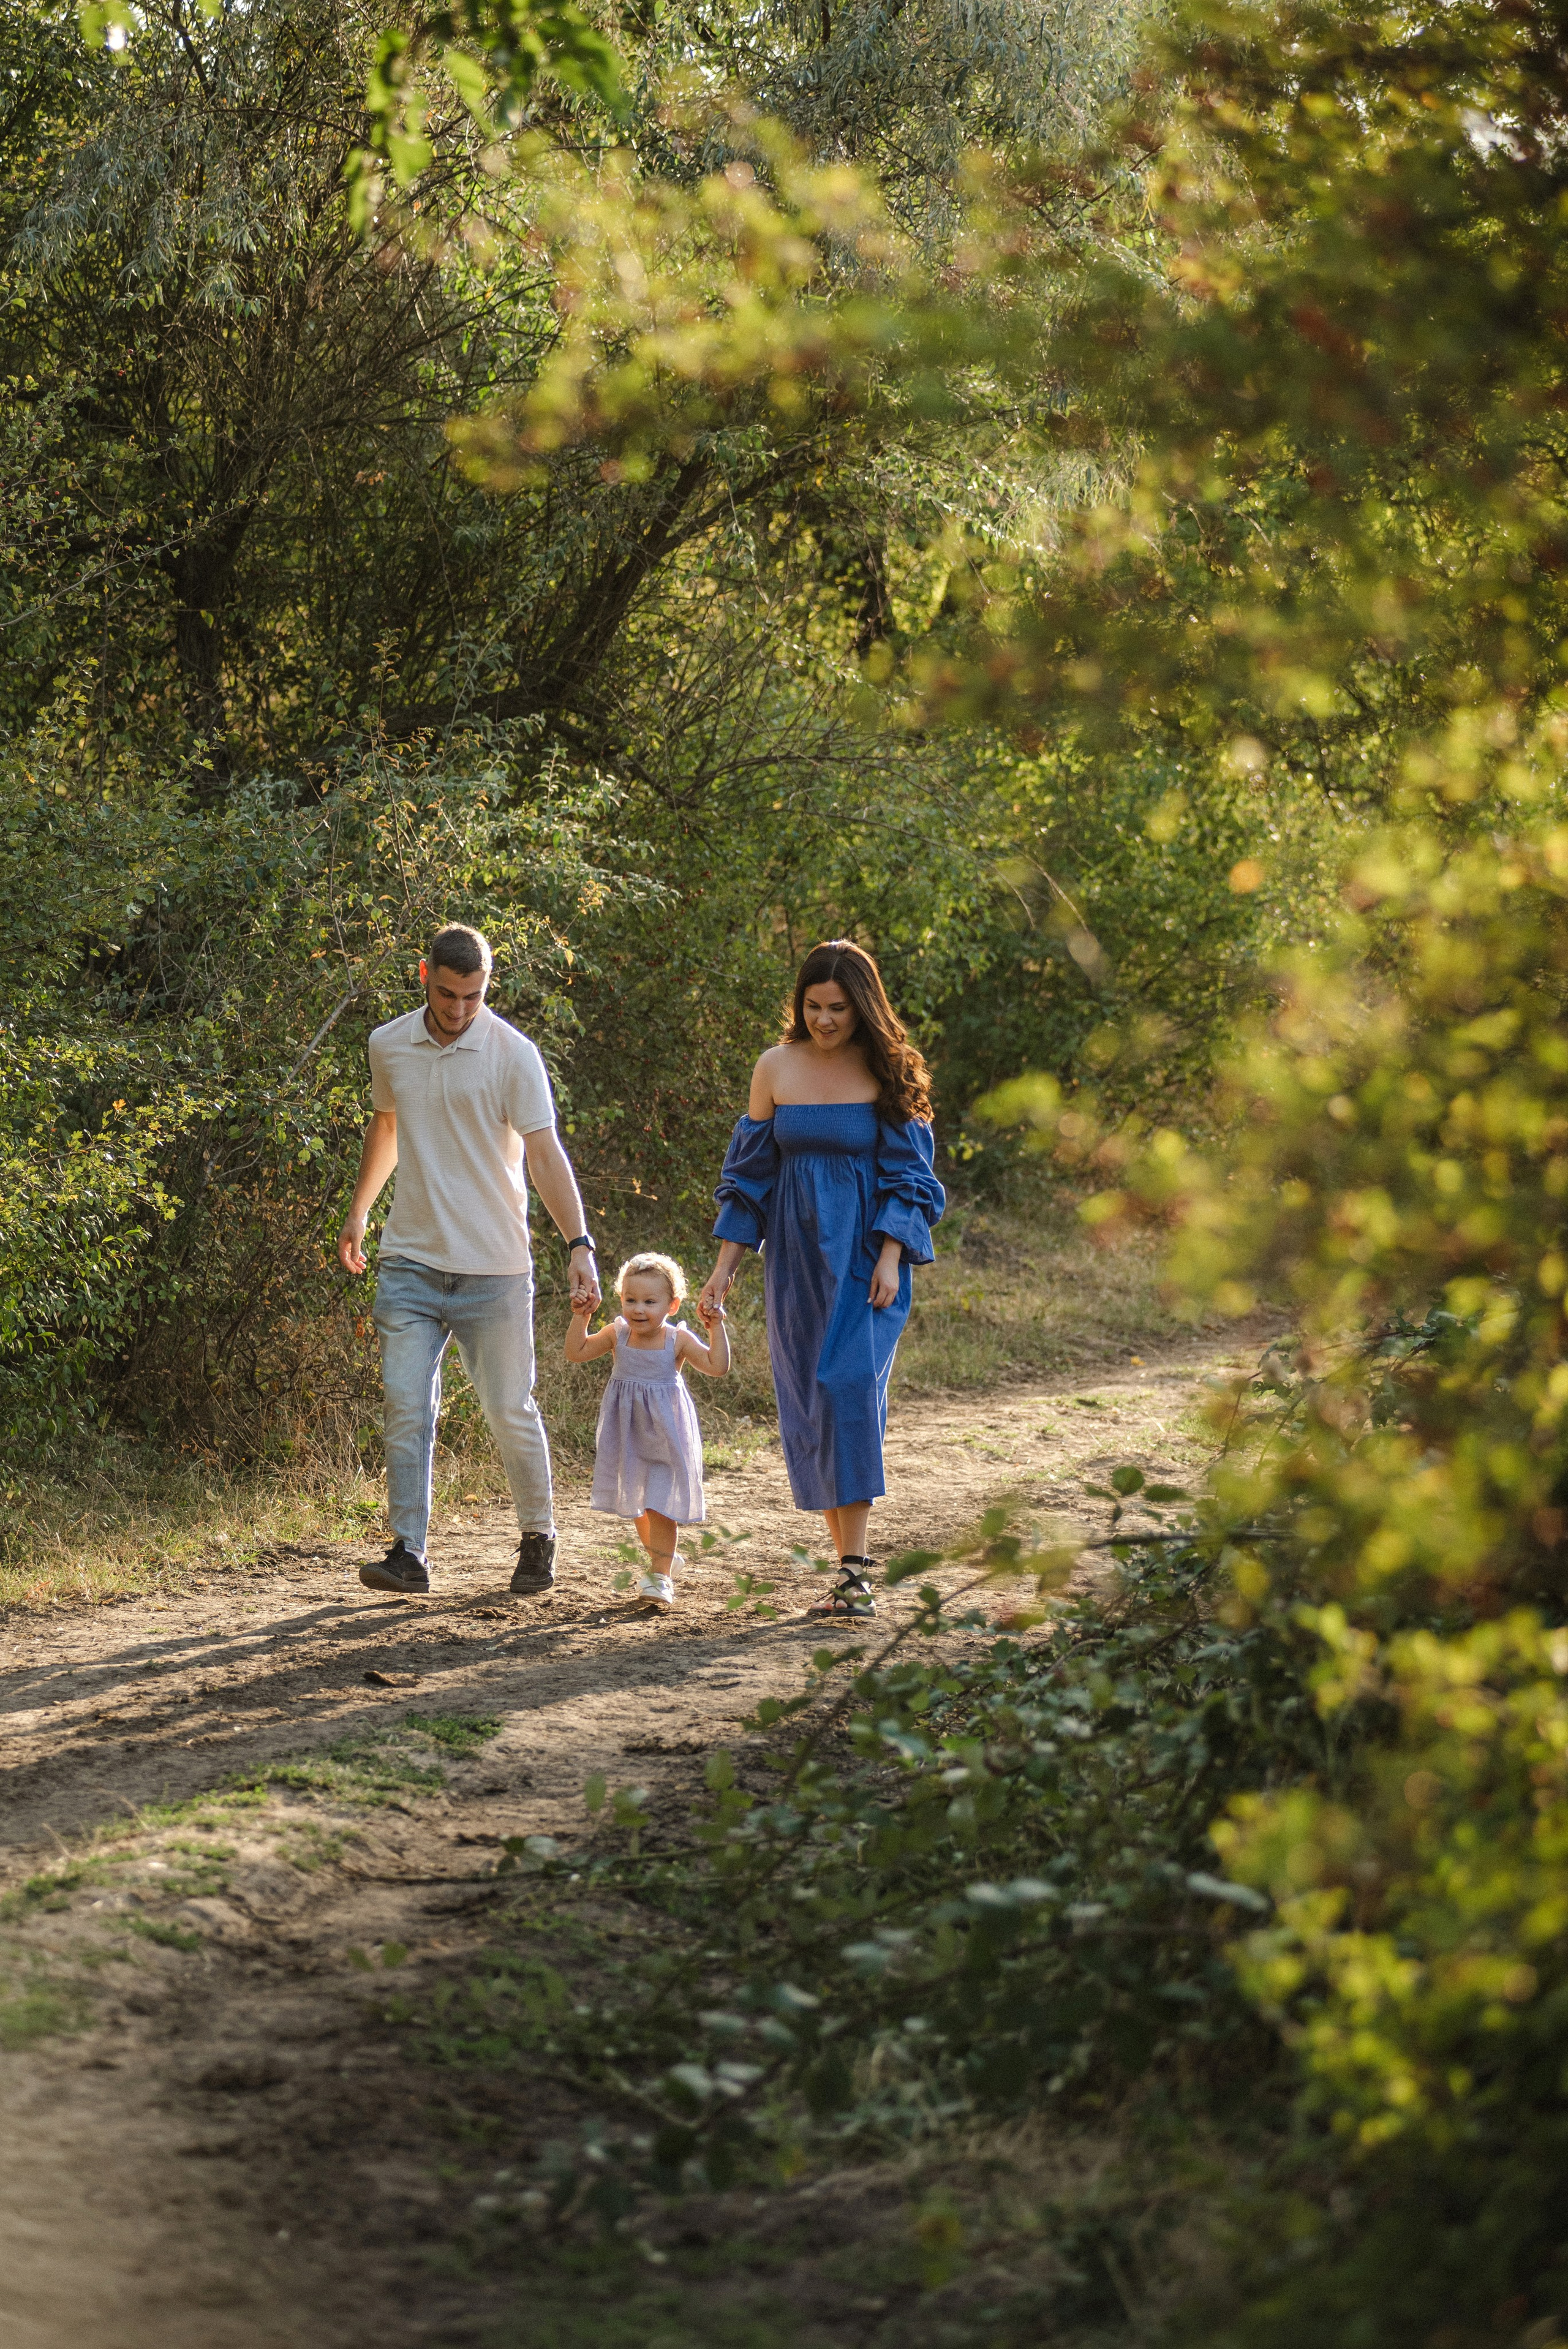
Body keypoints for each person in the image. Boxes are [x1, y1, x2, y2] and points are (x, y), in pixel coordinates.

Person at [337, 923, 602, 1597]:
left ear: (488, 987)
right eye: (449, 995)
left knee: (510, 1408)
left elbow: (544, 1154)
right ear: (425, 976)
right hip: (410, 1263)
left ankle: (538, 1537)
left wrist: (579, 1244)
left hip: (496, 1269)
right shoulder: (388, 1043)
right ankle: (408, 1552)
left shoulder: (514, 1054)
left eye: (474, 997)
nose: (459, 1011)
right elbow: (388, 1124)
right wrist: (361, 1208)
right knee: (406, 1404)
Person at [697, 938, 944, 1619]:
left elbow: (911, 1179)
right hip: (795, 1262)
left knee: (847, 1392)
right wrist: (723, 1271)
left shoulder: (884, 1070)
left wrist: (893, 1255)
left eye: (838, 1007)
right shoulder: (775, 1066)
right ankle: (847, 1573)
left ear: (862, 1007)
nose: (825, 1019)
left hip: (867, 1263)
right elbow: (748, 1180)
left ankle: (857, 1572)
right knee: (810, 1400)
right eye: (813, 1005)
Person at [567, 1251, 731, 1610]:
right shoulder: (617, 1334)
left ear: (672, 1305)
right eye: (630, 1300)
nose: (638, 1309)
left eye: (650, 1302)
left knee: (660, 1505)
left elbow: (718, 1366)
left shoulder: (677, 1340)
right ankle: (665, 1561)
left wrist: (715, 1327)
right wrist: (583, 1316)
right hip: (627, 1435)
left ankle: (660, 1577)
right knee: (637, 1503)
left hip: (667, 1436)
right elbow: (576, 1352)